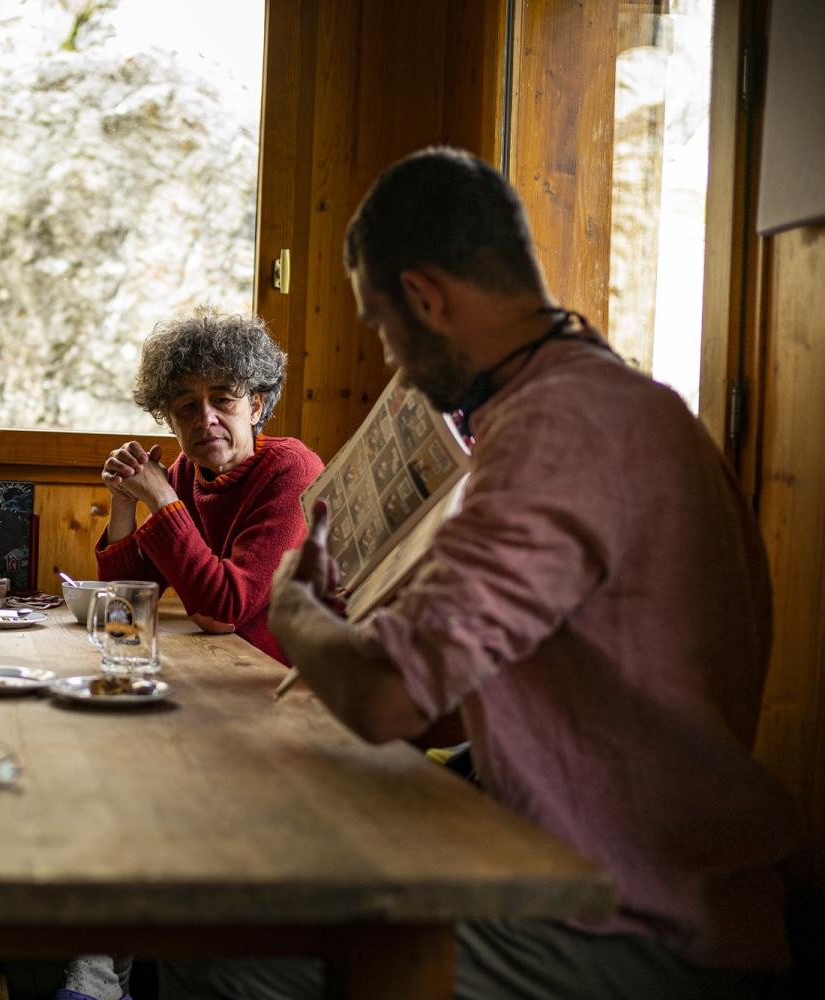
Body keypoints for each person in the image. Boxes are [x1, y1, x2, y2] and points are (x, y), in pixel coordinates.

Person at [227, 147, 794, 1000]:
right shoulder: (619, 399)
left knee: (235, 948)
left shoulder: (556, 428)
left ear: (425, 297)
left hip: (627, 917)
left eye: (383, 331)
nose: (393, 362)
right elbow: (462, 701)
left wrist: (296, 609)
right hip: (630, 873)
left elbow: (386, 700)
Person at [96, 310, 323, 665]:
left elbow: (228, 609)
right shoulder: (186, 471)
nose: (205, 419)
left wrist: (161, 497)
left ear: (255, 407)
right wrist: (124, 500)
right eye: (187, 407)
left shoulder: (292, 469)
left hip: (290, 681)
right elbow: (124, 604)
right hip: (225, 665)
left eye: (223, 399)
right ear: (171, 422)